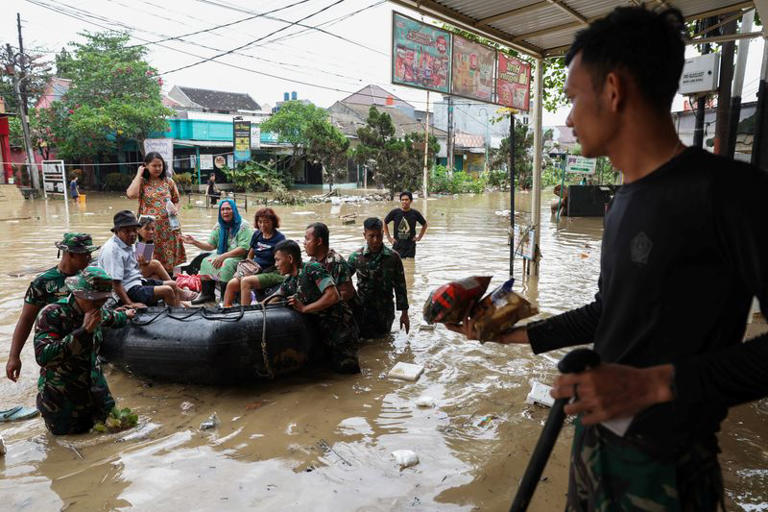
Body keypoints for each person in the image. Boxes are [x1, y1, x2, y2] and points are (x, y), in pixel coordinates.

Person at [448, 7, 768, 510]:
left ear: (614, 91)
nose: (570, 117)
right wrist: (515, 332)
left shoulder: (729, 194)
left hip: (669, 469)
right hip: (596, 450)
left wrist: (659, 383)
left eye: (575, 98)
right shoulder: (622, 203)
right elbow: (608, 311)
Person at [34, 266, 136, 434]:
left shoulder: (98, 311)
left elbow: (112, 317)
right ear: (77, 293)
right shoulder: (52, 315)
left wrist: (127, 314)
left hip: (96, 390)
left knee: (114, 437)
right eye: (93, 300)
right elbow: (44, 356)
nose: (98, 304)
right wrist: (83, 332)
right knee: (67, 446)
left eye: (102, 300)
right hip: (62, 398)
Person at [6, 233, 98, 382]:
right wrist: (14, 357)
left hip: (87, 349)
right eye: (85, 254)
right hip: (58, 352)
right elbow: (26, 319)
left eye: (90, 253)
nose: (90, 258)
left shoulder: (88, 278)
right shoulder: (43, 283)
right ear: (70, 254)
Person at [270, 240, 360, 374]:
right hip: (320, 334)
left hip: (339, 331)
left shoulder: (312, 269)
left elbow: (333, 295)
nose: (276, 265)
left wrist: (304, 309)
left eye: (278, 260)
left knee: (347, 374)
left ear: (289, 258)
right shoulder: (289, 282)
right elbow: (273, 298)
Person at [98, 210, 181, 308]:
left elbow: (137, 266)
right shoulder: (113, 250)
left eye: (134, 230)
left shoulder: (130, 243)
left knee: (173, 284)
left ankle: (178, 307)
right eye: (127, 231)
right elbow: (115, 284)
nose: (132, 234)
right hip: (128, 289)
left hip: (137, 281)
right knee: (167, 290)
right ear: (117, 231)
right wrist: (130, 304)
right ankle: (176, 314)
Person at [182, 199, 253, 305]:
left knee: (227, 264)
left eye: (228, 209)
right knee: (206, 261)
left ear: (234, 210)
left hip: (239, 257)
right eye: (222, 209)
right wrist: (194, 242)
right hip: (224, 255)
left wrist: (223, 256)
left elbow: (243, 248)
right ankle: (207, 295)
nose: (225, 212)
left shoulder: (244, 226)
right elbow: (211, 246)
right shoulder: (219, 226)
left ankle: (226, 298)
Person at [347, 217, 409, 338]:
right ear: (364, 235)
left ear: (383, 233)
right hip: (363, 310)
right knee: (363, 343)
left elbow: (400, 287)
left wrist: (404, 314)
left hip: (385, 312)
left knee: (384, 342)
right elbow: (343, 282)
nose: (376, 240)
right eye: (371, 236)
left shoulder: (393, 257)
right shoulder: (355, 257)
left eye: (379, 236)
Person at [126, 152, 186, 273]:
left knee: (169, 259)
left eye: (160, 165)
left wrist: (175, 209)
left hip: (168, 228)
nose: (158, 168)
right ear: (146, 166)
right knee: (144, 259)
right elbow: (131, 194)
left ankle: (170, 281)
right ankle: (144, 282)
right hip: (147, 228)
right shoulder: (142, 182)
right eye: (154, 165)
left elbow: (177, 201)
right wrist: (139, 174)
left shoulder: (169, 182)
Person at [223, 207, 286, 307]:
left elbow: (282, 260)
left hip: (271, 271)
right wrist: (247, 269)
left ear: (273, 222)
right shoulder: (257, 235)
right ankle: (226, 309)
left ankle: (245, 313)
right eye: (260, 222)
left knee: (246, 282)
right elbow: (251, 254)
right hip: (255, 269)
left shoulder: (279, 238)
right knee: (231, 284)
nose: (262, 225)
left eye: (266, 222)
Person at [383, 191, 427, 258]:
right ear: (400, 201)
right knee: (397, 265)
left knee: (410, 265)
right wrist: (389, 238)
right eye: (402, 200)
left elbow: (424, 224)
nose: (404, 202)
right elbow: (385, 223)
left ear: (411, 201)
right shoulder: (395, 212)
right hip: (397, 246)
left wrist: (419, 237)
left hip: (410, 247)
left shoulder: (415, 213)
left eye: (406, 200)